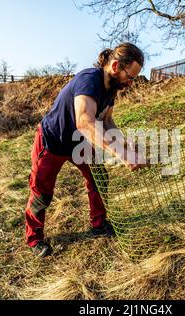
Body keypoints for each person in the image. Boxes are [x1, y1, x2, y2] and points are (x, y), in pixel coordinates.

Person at [25, 43, 146, 258]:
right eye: (131, 76)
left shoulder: (112, 89)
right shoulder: (89, 80)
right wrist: (121, 154)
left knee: (98, 177)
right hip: (53, 141)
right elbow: (85, 122)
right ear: (116, 66)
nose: (131, 82)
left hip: (80, 144)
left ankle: (98, 223)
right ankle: (34, 239)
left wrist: (126, 145)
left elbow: (107, 121)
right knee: (41, 192)